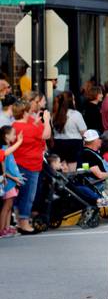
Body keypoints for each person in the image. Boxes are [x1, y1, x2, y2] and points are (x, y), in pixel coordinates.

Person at [11, 99, 50, 233]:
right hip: (31, 165)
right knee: (28, 196)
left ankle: (18, 220)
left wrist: (36, 122)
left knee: (18, 195)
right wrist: (47, 120)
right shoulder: (30, 128)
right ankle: (24, 223)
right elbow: (47, 134)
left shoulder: (13, 126)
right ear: (25, 112)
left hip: (17, 164)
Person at [52, 91, 87, 172]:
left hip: (58, 143)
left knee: (61, 169)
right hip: (74, 144)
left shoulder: (55, 115)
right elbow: (83, 132)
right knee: (72, 171)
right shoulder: (76, 114)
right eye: (73, 100)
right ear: (70, 102)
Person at [0, 125, 25, 237]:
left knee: (9, 206)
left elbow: (11, 167)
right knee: (7, 206)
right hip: (8, 183)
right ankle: (2, 229)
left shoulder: (6, 149)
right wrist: (14, 178)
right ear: (6, 136)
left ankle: (7, 227)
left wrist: (18, 176)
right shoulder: (4, 150)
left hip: (12, 183)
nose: (15, 136)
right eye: (13, 134)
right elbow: (4, 171)